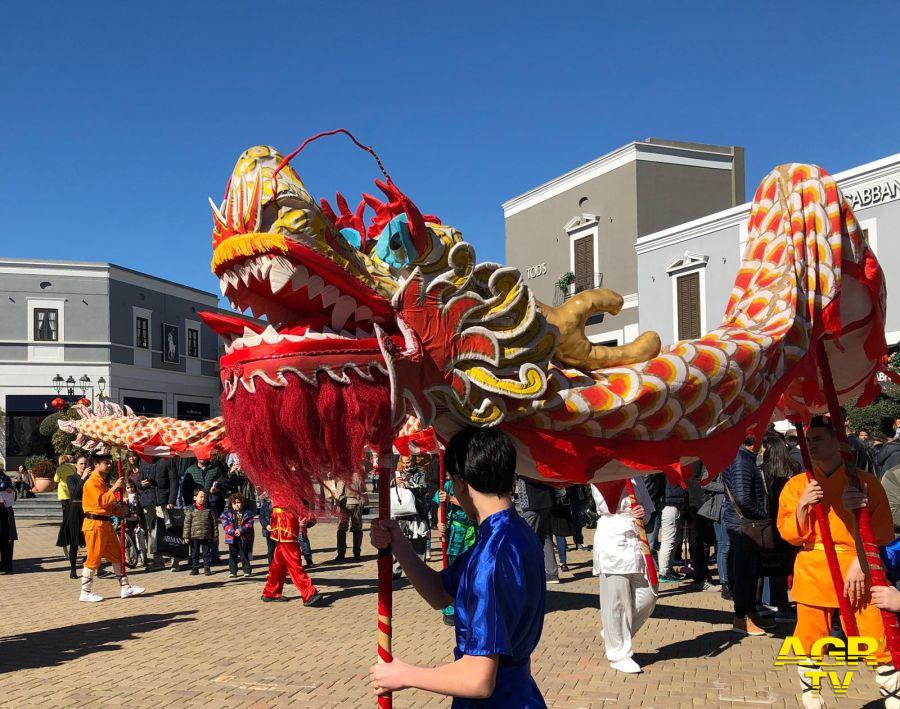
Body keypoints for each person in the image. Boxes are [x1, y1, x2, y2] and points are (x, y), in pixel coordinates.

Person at [369, 426, 546, 706]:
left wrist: (404, 674)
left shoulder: (492, 555)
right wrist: (397, 541)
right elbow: (440, 592)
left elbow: (478, 678)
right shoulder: (513, 533)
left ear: (461, 483)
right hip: (520, 694)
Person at [776, 417, 897, 708]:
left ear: (836, 440)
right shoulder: (797, 485)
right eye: (808, 440)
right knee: (809, 639)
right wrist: (804, 505)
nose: (811, 446)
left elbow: (882, 532)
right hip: (813, 568)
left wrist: (861, 559)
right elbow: (790, 534)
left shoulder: (865, 482)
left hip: (858, 567)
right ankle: (812, 700)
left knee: (878, 636)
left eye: (818, 439)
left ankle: (894, 696)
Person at [591, 479, 656, 674]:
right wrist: (629, 511)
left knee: (648, 595)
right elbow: (605, 504)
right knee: (617, 601)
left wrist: (642, 513)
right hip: (613, 540)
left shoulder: (637, 476)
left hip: (636, 541)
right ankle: (618, 654)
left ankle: (613, 633)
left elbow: (648, 509)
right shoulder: (603, 473)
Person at [722, 436, 775, 635]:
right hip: (743, 523)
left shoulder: (743, 458)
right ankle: (741, 616)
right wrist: (762, 516)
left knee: (751, 571)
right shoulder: (741, 460)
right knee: (745, 571)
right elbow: (743, 497)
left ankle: (750, 612)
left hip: (743, 522)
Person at [79, 453, 144, 602]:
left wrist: (117, 510)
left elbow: (106, 504)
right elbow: (100, 502)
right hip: (94, 524)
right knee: (94, 558)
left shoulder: (101, 481)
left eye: (109, 462)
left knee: (116, 555)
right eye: (106, 463)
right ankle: (85, 591)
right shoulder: (91, 482)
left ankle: (125, 587)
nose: (109, 465)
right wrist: (115, 488)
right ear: (96, 464)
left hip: (105, 523)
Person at [758, 435, 800, 623]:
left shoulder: (764, 471)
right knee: (787, 566)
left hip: (770, 522)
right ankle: (784, 605)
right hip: (791, 521)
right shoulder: (795, 468)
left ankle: (772, 602)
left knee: (771, 566)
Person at [260, 499, 322, 605]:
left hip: (285, 524)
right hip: (285, 526)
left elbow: (302, 503)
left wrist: (303, 518)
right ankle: (308, 593)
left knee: (279, 563)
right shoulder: (282, 485)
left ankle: (270, 592)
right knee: (294, 562)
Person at [435, 477, 478, 626]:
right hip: (454, 533)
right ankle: (450, 610)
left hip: (472, 531)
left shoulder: (475, 484)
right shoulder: (447, 485)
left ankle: (469, 608)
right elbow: (440, 507)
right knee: (451, 570)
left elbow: (475, 508)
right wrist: (439, 522)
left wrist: (451, 499)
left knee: (471, 571)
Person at [182, 454, 230, 564]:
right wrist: (188, 504)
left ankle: (214, 555)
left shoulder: (215, 469)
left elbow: (226, 483)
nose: (201, 458)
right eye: (199, 455)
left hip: (212, 504)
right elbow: (185, 488)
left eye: (203, 455)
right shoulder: (190, 470)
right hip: (195, 506)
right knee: (194, 531)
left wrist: (218, 488)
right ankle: (194, 557)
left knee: (212, 530)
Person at [390, 456, 431, 580]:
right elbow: (390, 489)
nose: (407, 465)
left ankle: (420, 572)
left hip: (417, 514)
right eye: (405, 462)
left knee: (418, 544)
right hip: (401, 515)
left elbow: (424, 488)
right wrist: (394, 483)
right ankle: (396, 571)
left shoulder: (421, 473)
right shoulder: (397, 474)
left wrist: (407, 484)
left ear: (414, 461)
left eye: (409, 462)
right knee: (399, 544)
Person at [138, 456, 179, 571]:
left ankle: (174, 560)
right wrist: (141, 484)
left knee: (169, 530)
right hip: (149, 501)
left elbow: (174, 481)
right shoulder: (144, 460)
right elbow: (138, 482)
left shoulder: (168, 459)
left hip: (164, 501)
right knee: (153, 531)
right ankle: (158, 560)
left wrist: (172, 501)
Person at [517, 475, 559, 584]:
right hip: (545, 503)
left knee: (526, 540)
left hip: (532, 504)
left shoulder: (526, 464)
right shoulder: (540, 463)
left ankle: (526, 573)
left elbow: (534, 478)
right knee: (546, 538)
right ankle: (551, 573)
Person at [57, 455, 90, 578]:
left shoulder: (90, 478)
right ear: (76, 465)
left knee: (90, 540)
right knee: (74, 542)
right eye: (81, 463)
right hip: (75, 510)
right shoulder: (71, 478)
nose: (83, 466)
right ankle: (73, 570)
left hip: (88, 510)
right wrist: (83, 478)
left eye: (85, 463)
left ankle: (93, 566)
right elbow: (75, 493)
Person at [323, 471, 366, 562]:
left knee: (350, 529)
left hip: (352, 503)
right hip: (347, 503)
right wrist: (330, 477)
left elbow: (362, 489)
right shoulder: (342, 473)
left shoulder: (354, 474)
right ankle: (347, 553)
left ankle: (348, 553)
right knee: (346, 529)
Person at [657, 476, 686, 583]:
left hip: (674, 502)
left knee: (675, 539)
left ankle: (668, 569)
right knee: (668, 540)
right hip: (669, 504)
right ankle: (663, 573)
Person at [183, 489, 216, 576]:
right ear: (195, 498)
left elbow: (214, 524)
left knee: (206, 553)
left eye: (204, 497)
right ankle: (195, 568)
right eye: (201, 496)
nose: (203, 498)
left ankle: (207, 568)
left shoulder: (209, 510)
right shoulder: (190, 510)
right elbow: (187, 524)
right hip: (194, 536)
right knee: (194, 553)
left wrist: (215, 535)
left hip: (206, 535)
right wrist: (186, 536)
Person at [221, 493, 254, 577]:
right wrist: (233, 531)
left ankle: (247, 570)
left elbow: (249, 524)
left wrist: (241, 530)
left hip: (243, 537)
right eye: (234, 503)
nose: (236, 504)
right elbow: (225, 525)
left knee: (244, 553)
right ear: (231, 504)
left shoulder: (248, 513)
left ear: (242, 503)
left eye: (238, 502)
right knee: (232, 554)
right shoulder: (226, 514)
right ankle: (233, 571)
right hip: (232, 537)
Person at [0, 459, 17, 574]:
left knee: (8, 540)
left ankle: (7, 567)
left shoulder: (6, 478)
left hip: (6, 512)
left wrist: (11, 492)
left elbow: (13, 495)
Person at [257, 490, 275, 564]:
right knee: (271, 550)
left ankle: (282, 568)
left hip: (280, 530)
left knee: (280, 549)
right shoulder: (265, 504)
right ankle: (271, 568)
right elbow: (261, 517)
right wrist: (266, 525)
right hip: (269, 530)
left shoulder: (280, 502)